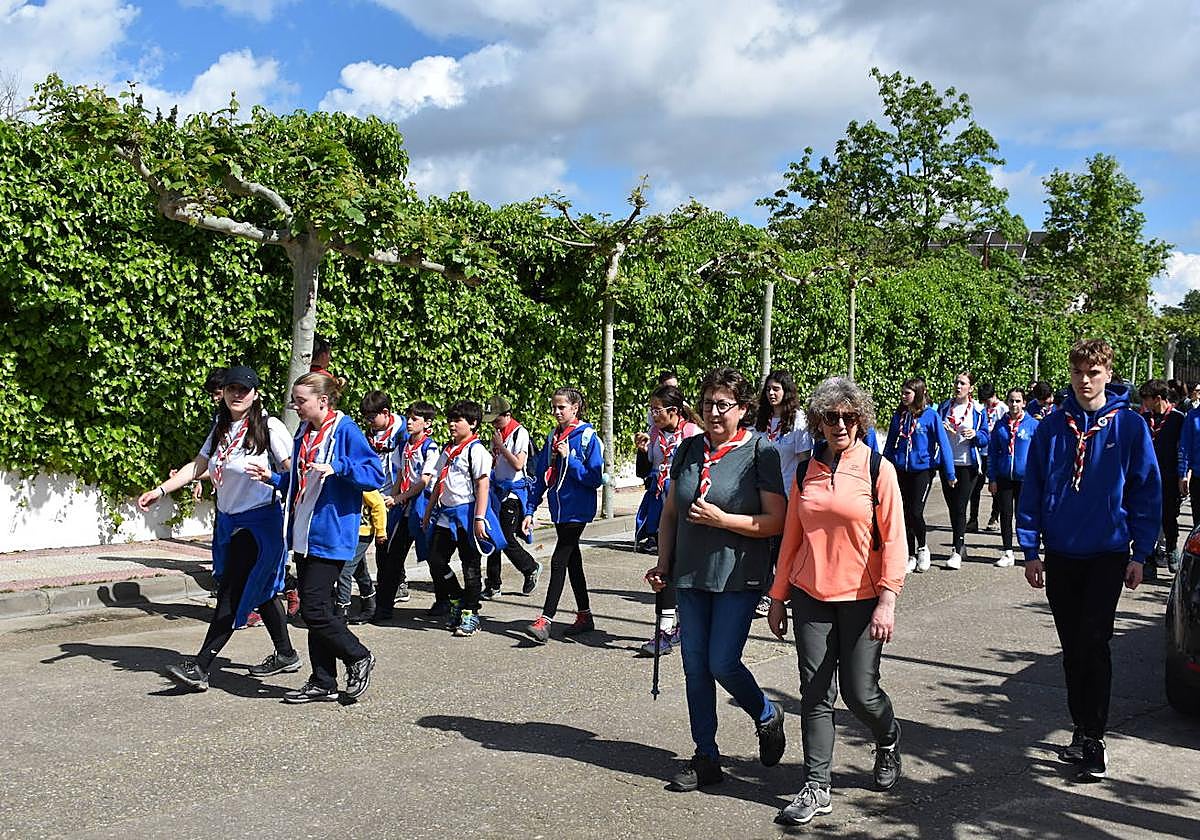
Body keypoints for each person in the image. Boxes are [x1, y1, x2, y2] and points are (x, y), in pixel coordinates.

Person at [1018, 339, 1160, 781]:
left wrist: (1140, 552)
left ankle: (1095, 737)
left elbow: (1146, 489)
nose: (1085, 380)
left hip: (1108, 552)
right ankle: (1081, 727)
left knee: (1093, 642)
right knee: (1072, 648)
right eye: (1079, 372)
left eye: (1093, 372)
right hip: (1061, 551)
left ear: (1108, 373)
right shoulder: (1051, 426)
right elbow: (1035, 486)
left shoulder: (1130, 426)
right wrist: (1029, 549)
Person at [767, 377, 906, 826]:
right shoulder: (806, 468)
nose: (840, 424)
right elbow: (791, 535)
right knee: (815, 692)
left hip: (863, 599)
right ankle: (816, 786)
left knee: (860, 693)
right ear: (819, 422)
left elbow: (897, 540)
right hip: (811, 595)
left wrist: (888, 600)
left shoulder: (877, 469)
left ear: (860, 419)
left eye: (849, 417)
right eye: (831, 417)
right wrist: (778, 595)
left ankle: (887, 738)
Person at [645, 366, 788, 793]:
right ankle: (706, 755)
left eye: (723, 405)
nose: (713, 412)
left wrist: (725, 520)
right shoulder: (689, 449)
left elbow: (776, 521)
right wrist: (663, 563)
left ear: (743, 409)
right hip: (690, 574)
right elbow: (671, 512)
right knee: (694, 667)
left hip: (737, 574)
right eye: (707, 403)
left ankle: (766, 713)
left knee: (721, 661)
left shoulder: (761, 451)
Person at [137, 366, 299, 692]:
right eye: (231, 389)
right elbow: (199, 465)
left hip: (259, 524)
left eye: (244, 389)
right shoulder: (223, 427)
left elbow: (294, 471)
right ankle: (286, 653)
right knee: (261, 590)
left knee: (231, 592)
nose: (237, 394)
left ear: (255, 394)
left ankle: (201, 666)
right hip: (229, 522)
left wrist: (282, 488)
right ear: (223, 393)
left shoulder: (270, 427)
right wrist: (162, 490)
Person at [256, 372, 384, 703]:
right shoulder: (304, 431)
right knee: (323, 607)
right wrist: (273, 477)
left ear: (322, 401)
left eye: (301, 401)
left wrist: (338, 467)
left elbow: (374, 475)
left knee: (312, 609)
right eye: (294, 400)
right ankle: (323, 680)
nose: (295, 406)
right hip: (304, 532)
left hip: (332, 533)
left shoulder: (345, 430)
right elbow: (300, 480)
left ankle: (357, 654)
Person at [523, 387, 606, 644]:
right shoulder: (553, 437)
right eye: (554, 407)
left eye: (562, 407)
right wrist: (530, 509)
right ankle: (585, 615)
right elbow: (541, 476)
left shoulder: (588, 437)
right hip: (559, 509)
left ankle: (545, 620)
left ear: (575, 408)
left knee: (559, 559)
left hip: (578, 509)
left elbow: (594, 478)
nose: (556, 412)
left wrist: (571, 459)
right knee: (573, 562)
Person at [422, 400, 505, 637]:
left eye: (458, 420)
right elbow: (439, 482)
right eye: (451, 419)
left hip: (467, 515)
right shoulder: (448, 450)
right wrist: (428, 511)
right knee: (436, 560)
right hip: (445, 516)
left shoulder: (476, 450)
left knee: (471, 568)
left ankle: (471, 613)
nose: (452, 424)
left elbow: (482, 485)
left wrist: (479, 518)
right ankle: (456, 597)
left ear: (473, 423)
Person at [634, 384, 702, 655]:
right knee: (664, 571)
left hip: (689, 515)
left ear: (673, 411)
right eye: (651, 410)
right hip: (664, 513)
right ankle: (664, 632)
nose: (653, 415)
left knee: (679, 573)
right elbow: (645, 472)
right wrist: (641, 451)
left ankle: (681, 627)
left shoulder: (693, 435)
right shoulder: (654, 434)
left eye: (657, 410)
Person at [374, 401, 440, 619]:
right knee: (392, 556)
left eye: (415, 419)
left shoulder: (430, 448)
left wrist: (400, 497)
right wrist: (393, 497)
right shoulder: (403, 446)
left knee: (433, 556)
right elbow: (400, 475)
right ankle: (383, 607)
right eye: (408, 418)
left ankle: (445, 600)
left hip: (421, 506)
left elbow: (423, 480)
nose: (409, 423)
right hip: (403, 507)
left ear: (427, 423)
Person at [883, 377, 955, 573]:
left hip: (923, 470)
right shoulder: (899, 415)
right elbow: (890, 444)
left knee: (916, 511)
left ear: (918, 394)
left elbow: (944, 444)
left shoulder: (931, 416)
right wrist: (882, 469)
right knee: (903, 513)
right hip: (901, 469)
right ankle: (910, 554)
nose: (903, 396)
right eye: (902, 393)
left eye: (907, 393)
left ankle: (923, 548)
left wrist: (950, 473)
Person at [482, 396, 542, 600]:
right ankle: (493, 584)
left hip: (513, 494)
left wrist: (501, 446)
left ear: (507, 415)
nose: (494, 425)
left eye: (497, 420)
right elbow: (496, 462)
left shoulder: (519, 433)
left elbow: (518, 464)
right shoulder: (497, 434)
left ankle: (530, 567)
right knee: (492, 535)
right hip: (497, 491)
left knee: (506, 538)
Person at [936, 372, 989, 569]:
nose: (958, 386)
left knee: (960, 506)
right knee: (952, 507)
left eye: (962, 383)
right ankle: (961, 542)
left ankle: (956, 550)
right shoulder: (944, 407)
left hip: (968, 464)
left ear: (971, 388)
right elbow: (935, 430)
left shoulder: (977, 410)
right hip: (947, 464)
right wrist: (942, 428)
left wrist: (975, 434)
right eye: (956, 382)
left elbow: (985, 438)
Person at [987, 388, 1038, 568]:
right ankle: (1008, 552)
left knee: (1024, 516)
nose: (1014, 404)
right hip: (1004, 477)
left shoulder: (1032, 425)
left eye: (1018, 401)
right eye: (1011, 401)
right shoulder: (1000, 425)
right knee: (1006, 515)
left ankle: (1029, 552)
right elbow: (992, 452)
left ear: (1024, 403)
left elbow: (1039, 454)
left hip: (1026, 479)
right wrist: (992, 478)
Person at [1138, 379, 1184, 580]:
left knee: (1168, 517)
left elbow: (1183, 449)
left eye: (1146, 399)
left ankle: (1171, 548)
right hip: (1146, 477)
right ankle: (1147, 558)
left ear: (1158, 398)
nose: (1144, 403)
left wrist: (1183, 475)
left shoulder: (1178, 419)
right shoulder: (1143, 418)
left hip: (1169, 476)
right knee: (1145, 517)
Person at [340, 489, 386, 624]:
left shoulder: (363, 484)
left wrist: (380, 531)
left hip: (362, 533)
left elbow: (378, 505)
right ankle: (370, 602)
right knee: (359, 569)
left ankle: (342, 609)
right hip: (347, 533)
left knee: (344, 570)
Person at [975, 382, 1007, 532]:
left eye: (988, 401)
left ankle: (994, 517)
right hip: (981, 453)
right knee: (976, 486)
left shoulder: (1003, 409)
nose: (986, 404)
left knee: (995, 488)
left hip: (996, 453)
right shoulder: (981, 409)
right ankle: (972, 518)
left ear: (994, 396)